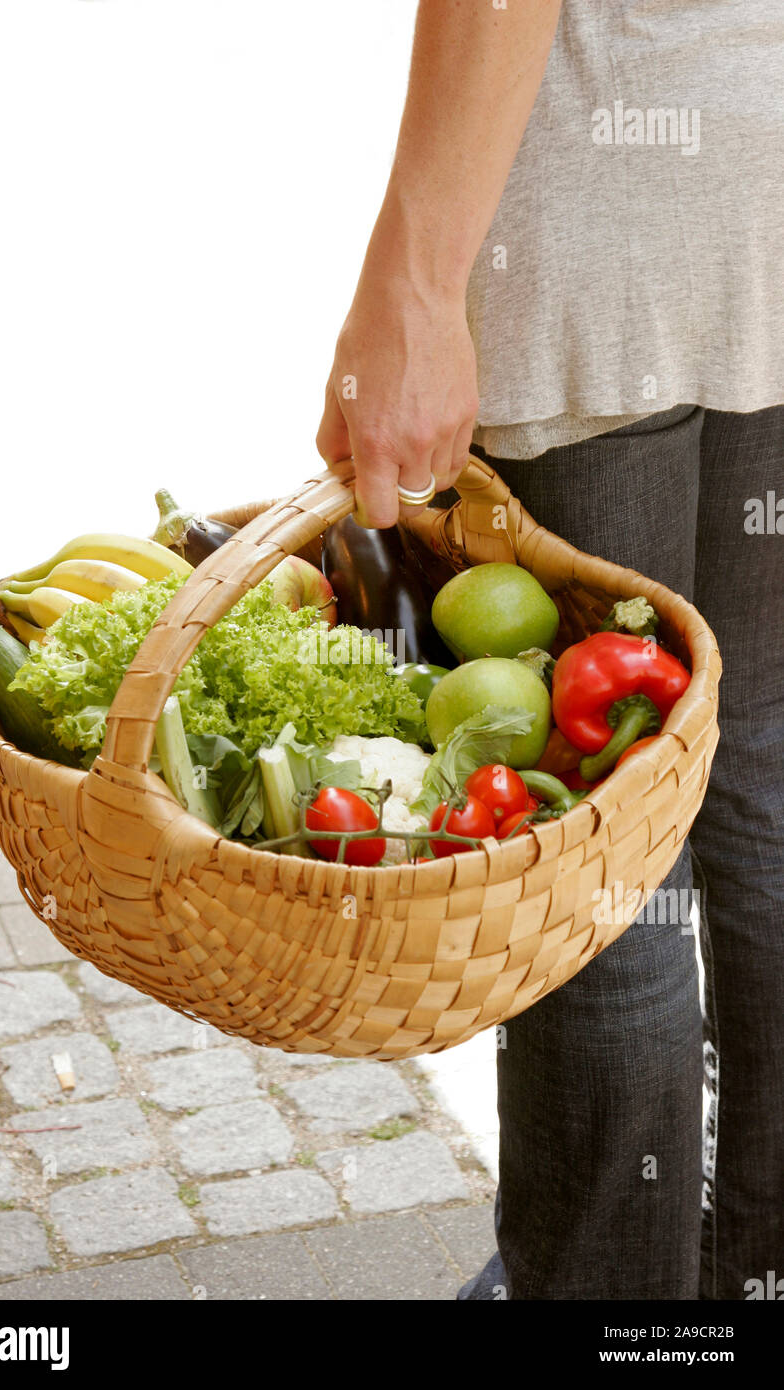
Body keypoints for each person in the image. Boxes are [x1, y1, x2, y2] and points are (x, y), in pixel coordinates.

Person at [316, 1, 784, 1300]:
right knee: (754, 764)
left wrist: (409, 284)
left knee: (599, 838)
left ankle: (603, 1298)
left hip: (612, 225)